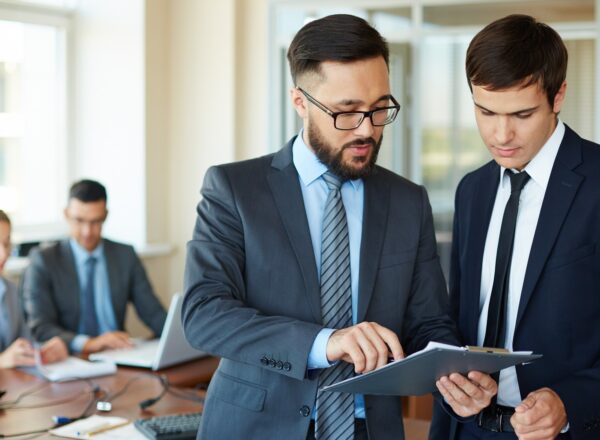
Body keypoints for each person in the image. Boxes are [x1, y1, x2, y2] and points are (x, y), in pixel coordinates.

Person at [182, 14, 495, 440]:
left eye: (380, 107)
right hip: (255, 427)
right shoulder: (235, 189)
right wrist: (324, 342)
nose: (367, 129)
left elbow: (428, 324)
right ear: (299, 102)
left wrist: (455, 375)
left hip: (371, 429)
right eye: (346, 111)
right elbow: (205, 314)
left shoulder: (408, 201)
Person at [430, 14, 600, 440]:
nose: (500, 134)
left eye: (522, 114)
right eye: (485, 111)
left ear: (558, 95)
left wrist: (570, 403)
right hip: (466, 428)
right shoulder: (473, 190)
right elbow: (461, 316)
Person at [22, 179, 166, 354]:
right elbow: (40, 327)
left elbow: (153, 313)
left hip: (117, 355)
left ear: (105, 215)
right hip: (71, 359)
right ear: (66, 214)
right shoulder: (44, 260)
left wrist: (179, 339)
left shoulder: (125, 255)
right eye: (79, 221)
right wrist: (89, 343)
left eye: (96, 222)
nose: (87, 232)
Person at [0, 210, 67, 368]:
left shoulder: (11, 290)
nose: (3, 254)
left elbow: (25, 343)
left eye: (6, 243)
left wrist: (44, 351)